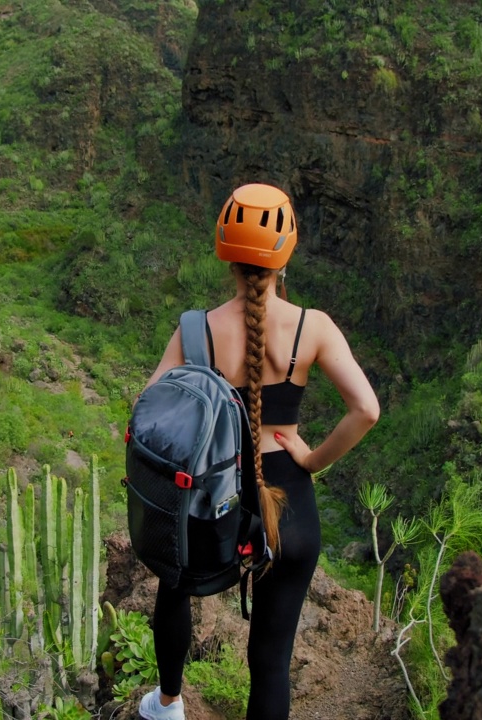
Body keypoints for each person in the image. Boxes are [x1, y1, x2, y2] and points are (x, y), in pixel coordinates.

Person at [137, 183, 381, 720]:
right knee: (270, 662)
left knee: (175, 585)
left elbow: (146, 413)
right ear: (285, 253)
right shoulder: (313, 327)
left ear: (226, 250)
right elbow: (366, 409)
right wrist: (311, 459)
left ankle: (168, 704)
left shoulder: (195, 329)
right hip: (288, 508)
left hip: (210, 503)